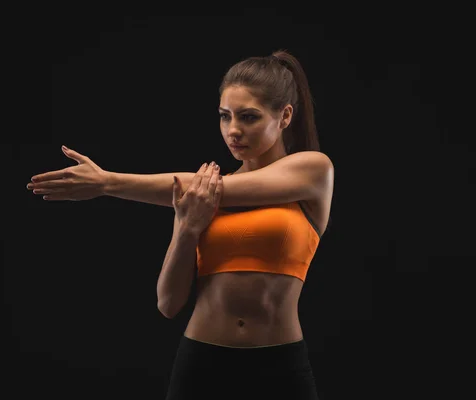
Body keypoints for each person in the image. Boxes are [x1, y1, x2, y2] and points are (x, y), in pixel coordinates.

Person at [27, 49, 334, 400]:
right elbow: (168, 303)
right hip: (203, 363)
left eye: (249, 117)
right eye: (224, 116)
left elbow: (220, 190)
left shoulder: (313, 170)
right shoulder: (199, 198)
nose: (233, 130)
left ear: (285, 116)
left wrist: (107, 182)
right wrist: (187, 226)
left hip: (280, 365)